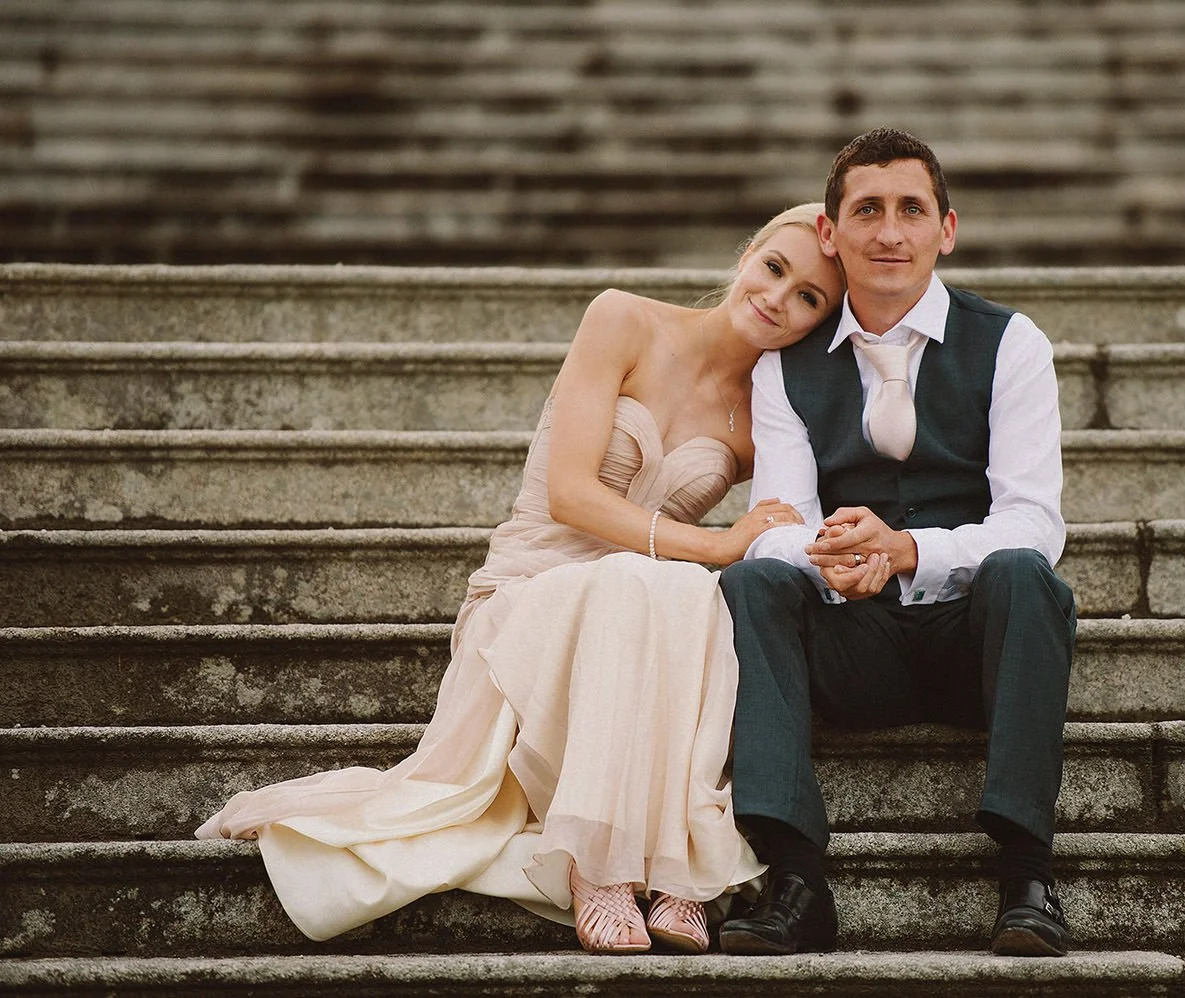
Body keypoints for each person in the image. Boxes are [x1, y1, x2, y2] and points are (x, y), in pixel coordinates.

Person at [196, 203, 845, 955]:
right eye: (775, 268)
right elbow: (570, 493)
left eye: (808, 299)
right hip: (530, 588)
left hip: (636, 614)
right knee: (664, 579)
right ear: (747, 255)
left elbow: (800, 514)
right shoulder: (624, 320)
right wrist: (713, 541)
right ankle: (598, 866)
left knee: (694, 595)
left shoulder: (763, 412)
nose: (777, 299)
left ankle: (674, 873)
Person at [716, 129, 1076, 958]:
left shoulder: (1011, 345)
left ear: (946, 229)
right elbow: (777, 523)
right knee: (751, 582)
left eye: (911, 209)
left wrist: (910, 549)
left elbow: (1035, 521)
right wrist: (832, 557)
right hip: (856, 640)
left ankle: (1028, 873)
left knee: (1026, 573)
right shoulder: (785, 367)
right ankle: (796, 877)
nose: (889, 232)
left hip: (973, 644)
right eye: (867, 210)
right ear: (831, 235)